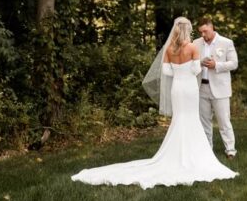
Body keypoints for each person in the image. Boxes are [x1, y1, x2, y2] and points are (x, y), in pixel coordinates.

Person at [71, 17, 237, 187]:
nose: (199, 33)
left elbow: (166, 71)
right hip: (190, 89)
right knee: (194, 120)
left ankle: (188, 152)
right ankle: (197, 153)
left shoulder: (169, 49)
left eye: (203, 31)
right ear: (187, 30)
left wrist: (180, 71)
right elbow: (195, 70)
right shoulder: (193, 46)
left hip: (177, 89)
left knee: (180, 119)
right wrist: (193, 68)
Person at [197, 16, 239, 158]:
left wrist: (217, 65)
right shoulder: (196, 43)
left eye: (205, 31)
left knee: (224, 121)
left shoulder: (226, 42)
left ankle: (230, 150)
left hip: (220, 89)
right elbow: (191, 63)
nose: (203, 35)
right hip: (201, 88)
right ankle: (207, 151)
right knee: (204, 122)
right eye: (201, 32)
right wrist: (199, 63)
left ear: (212, 27)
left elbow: (234, 63)